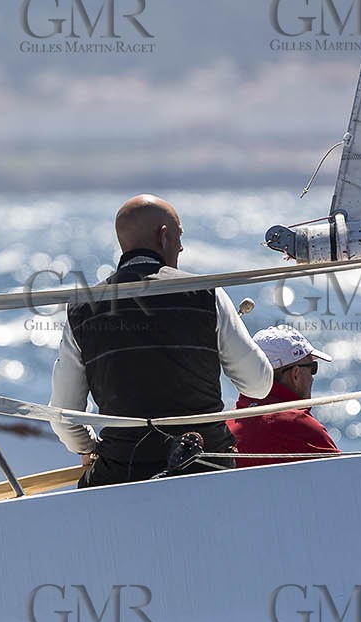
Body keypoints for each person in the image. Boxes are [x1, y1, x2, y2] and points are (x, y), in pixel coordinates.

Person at [50, 194, 273, 487]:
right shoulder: (206, 294)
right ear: (164, 235)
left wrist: (88, 448)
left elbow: (64, 416)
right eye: (179, 236)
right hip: (205, 466)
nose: (181, 247)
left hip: (123, 472)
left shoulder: (82, 309)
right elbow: (259, 385)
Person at [228, 325, 341, 467]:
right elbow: (348, 479)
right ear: (296, 374)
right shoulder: (298, 425)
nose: (312, 378)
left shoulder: (226, 426)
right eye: (312, 368)